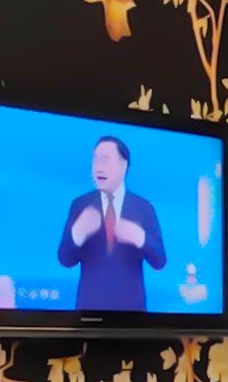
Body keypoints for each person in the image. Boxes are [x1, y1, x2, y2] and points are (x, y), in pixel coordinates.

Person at [57, 132, 166, 311]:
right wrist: (78, 233)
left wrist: (140, 238)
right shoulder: (80, 205)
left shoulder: (144, 208)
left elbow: (159, 261)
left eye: (105, 160)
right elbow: (64, 260)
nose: (98, 168)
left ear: (123, 166)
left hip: (132, 315)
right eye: (96, 160)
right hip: (88, 315)